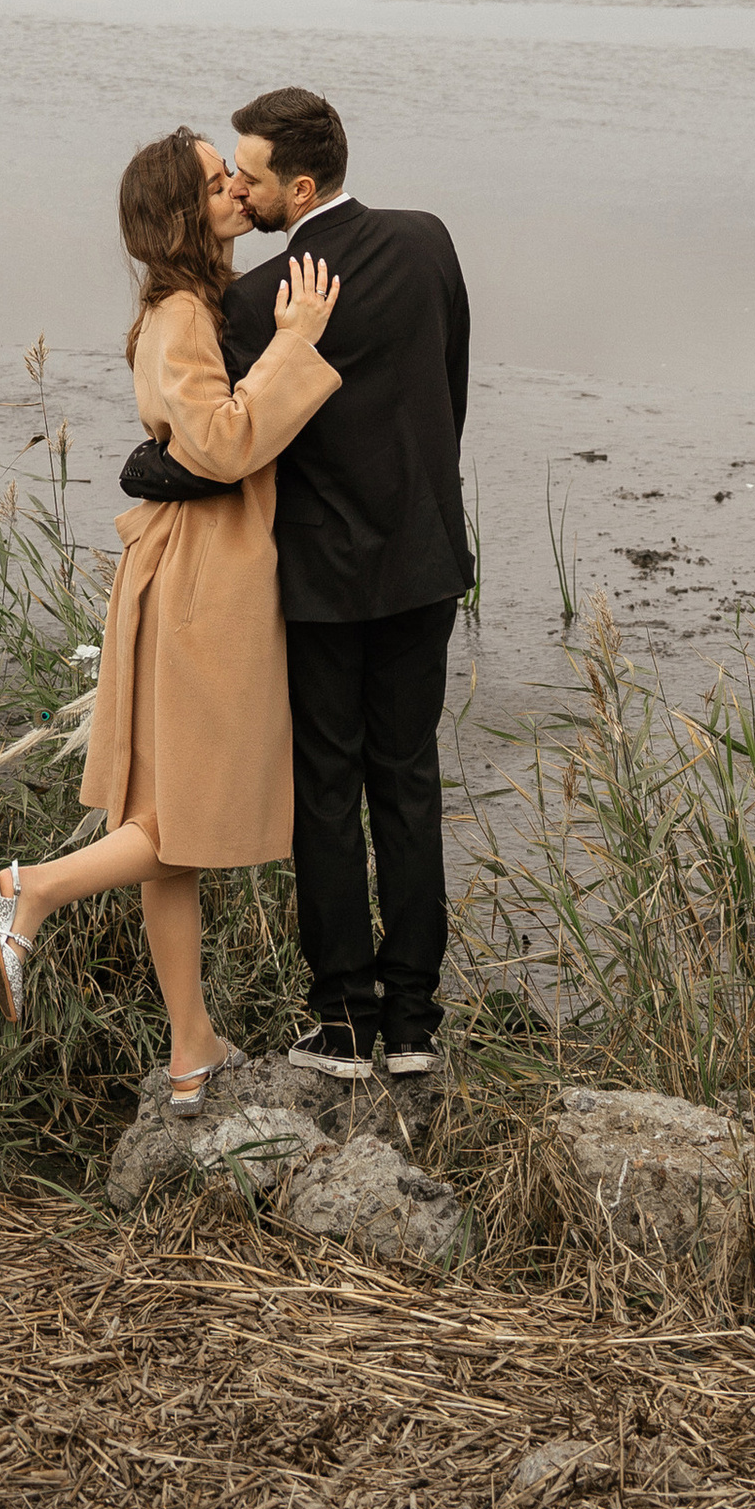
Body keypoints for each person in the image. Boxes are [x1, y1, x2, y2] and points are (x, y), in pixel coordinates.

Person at [0, 128, 341, 1111]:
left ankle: (191, 1048)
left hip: (185, 568)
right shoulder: (182, 313)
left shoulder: (191, 306)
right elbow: (221, 446)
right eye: (219, 180)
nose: (236, 189)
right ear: (186, 210)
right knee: (185, 823)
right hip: (203, 581)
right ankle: (33, 889)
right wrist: (297, 344)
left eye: (235, 174)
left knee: (155, 823)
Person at [219, 86, 471, 1081]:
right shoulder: (426, 242)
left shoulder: (252, 301)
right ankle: (413, 1028)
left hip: (321, 575)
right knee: (407, 782)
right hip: (421, 556)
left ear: (302, 185)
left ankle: (344, 1025)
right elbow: (448, 394)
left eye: (250, 175)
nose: (238, 189)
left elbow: (249, 442)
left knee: (327, 791)